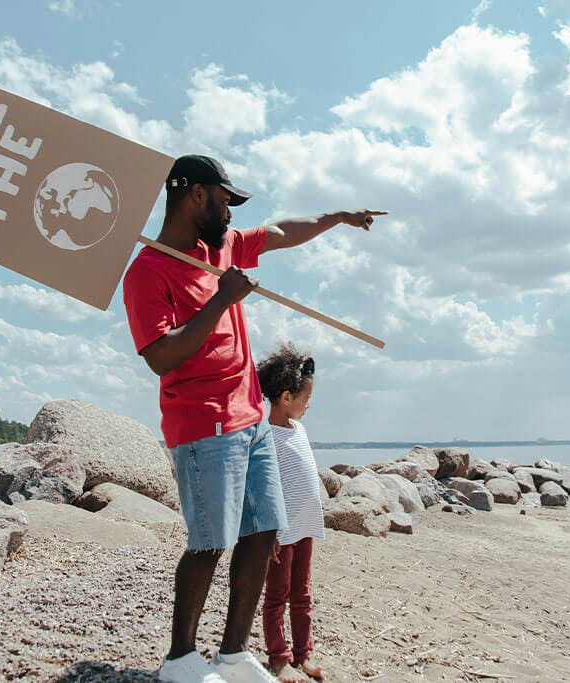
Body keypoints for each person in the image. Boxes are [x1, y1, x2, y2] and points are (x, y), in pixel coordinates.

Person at [122, 154, 385, 683]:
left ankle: (235, 654)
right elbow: (160, 356)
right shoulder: (148, 270)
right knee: (209, 542)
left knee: (265, 531)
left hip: (251, 423)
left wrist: (338, 217)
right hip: (203, 427)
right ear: (196, 194)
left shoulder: (218, 246)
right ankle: (180, 661)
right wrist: (221, 300)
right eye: (225, 199)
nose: (230, 211)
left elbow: (282, 231)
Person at [256, 345, 325, 683]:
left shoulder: (299, 430)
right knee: (277, 596)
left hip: (305, 527)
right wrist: (267, 532)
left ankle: (304, 654)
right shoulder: (266, 436)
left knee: (303, 595)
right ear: (285, 397)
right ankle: (279, 658)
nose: (308, 403)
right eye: (305, 397)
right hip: (281, 533)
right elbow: (261, 489)